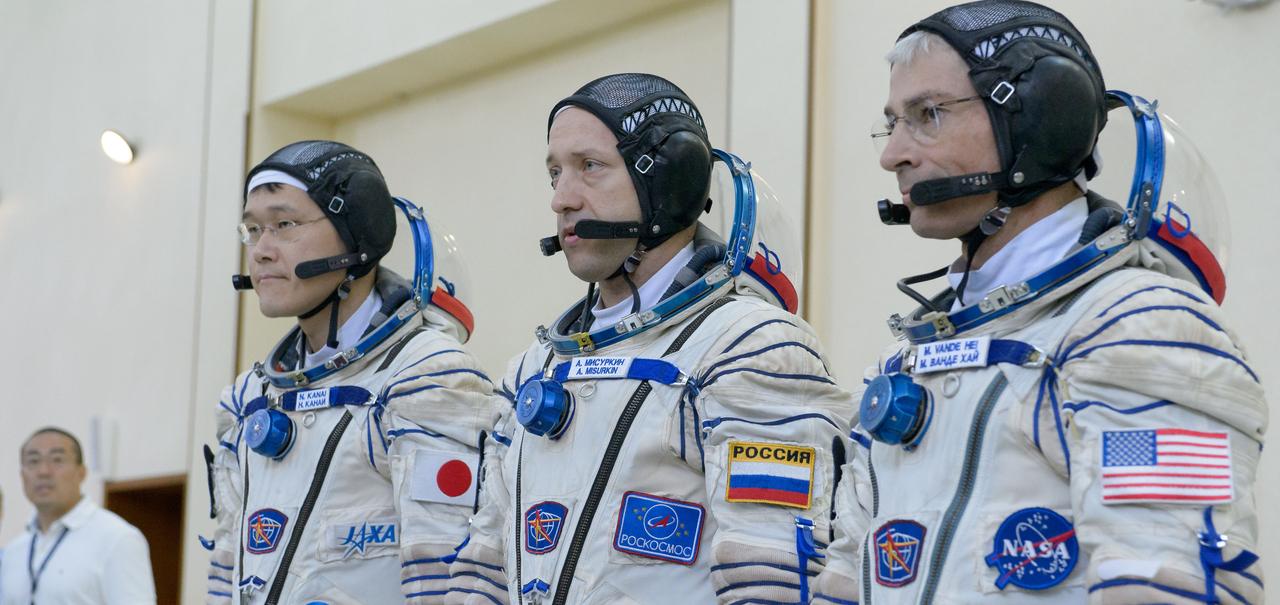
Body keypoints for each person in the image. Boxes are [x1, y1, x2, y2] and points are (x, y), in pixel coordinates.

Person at [813, 2, 1267, 603]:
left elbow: (1168, 585)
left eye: (926, 115)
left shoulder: (1142, 329)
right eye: (891, 122)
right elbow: (846, 583)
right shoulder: (906, 361)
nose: (891, 154)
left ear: (1039, 120)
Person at [446, 73, 854, 604]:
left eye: (589, 167)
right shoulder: (531, 370)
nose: (561, 200)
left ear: (671, 180)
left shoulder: (748, 344)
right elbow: (483, 574)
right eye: (554, 173)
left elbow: (772, 582)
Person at [205, 140, 499, 604]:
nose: (260, 251)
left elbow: (451, 584)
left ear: (359, 231)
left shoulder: (424, 377)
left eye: (283, 224)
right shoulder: (246, 401)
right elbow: (225, 574)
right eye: (252, 229)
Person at [0, 427, 155, 604]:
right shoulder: (14, 551)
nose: (43, 471)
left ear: (81, 473)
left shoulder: (117, 539)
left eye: (57, 460)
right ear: (22, 475)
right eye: (33, 461)